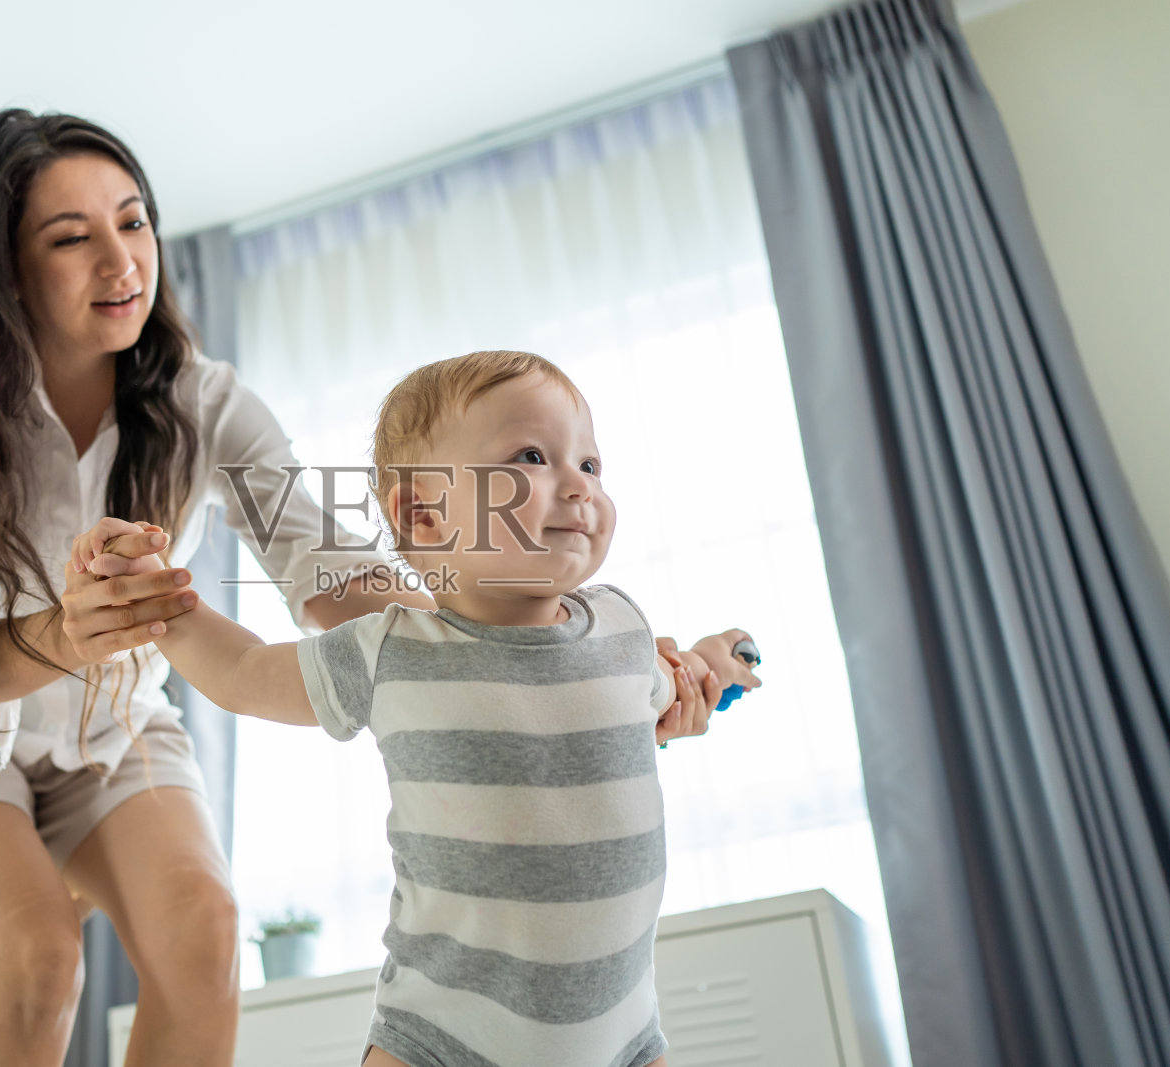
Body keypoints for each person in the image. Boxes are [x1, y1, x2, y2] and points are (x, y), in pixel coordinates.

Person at [0, 108, 426, 1067]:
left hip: (114, 717)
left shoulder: (202, 398)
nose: (122, 262)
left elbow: (321, 561)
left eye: (133, 221)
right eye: (72, 238)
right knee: (38, 960)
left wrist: (508, 637)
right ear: (4, 268)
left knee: (206, 935)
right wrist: (65, 635)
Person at [73, 349, 762, 1067]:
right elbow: (245, 671)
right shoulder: (391, 651)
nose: (579, 486)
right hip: (442, 1039)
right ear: (424, 515)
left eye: (589, 464)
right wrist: (159, 601)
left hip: (621, 1037)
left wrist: (714, 661)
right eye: (533, 456)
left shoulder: (621, 628)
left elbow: (677, 684)